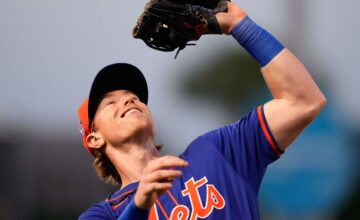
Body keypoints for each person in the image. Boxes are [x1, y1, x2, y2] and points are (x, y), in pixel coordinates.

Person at [77, 2, 326, 219]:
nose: (128, 101)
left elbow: (304, 101)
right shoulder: (105, 214)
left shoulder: (216, 152)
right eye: (110, 102)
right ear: (94, 138)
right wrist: (140, 205)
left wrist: (239, 24)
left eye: (134, 97)